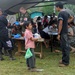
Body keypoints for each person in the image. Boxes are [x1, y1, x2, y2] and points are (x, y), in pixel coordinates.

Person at [55, 2, 74, 67]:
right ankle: (63, 60)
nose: (55, 8)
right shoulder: (66, 12)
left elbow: (60, 23)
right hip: (65, 31)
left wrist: (59, 33)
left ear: (58, 7)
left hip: (63, 32)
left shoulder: (61, 13)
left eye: (56, 7)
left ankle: (66, 62)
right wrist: (66, 23)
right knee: (63, 46)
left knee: (65, 47)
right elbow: (71, 18)